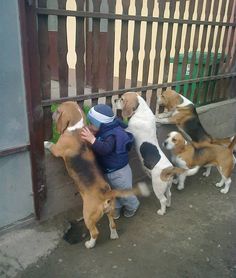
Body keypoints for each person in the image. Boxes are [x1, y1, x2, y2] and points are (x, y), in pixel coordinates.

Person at [81, 104, 140, 219]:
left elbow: (105, 149)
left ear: (101, 124)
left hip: (119, 173)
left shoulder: (112, 135)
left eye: (91, 124)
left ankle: (132, 206)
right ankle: (116, 208)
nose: (89, 126)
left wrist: (92, 140)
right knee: (112, 192)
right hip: (108, 170)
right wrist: (93, 136)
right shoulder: (105, 129)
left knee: (124, 193)